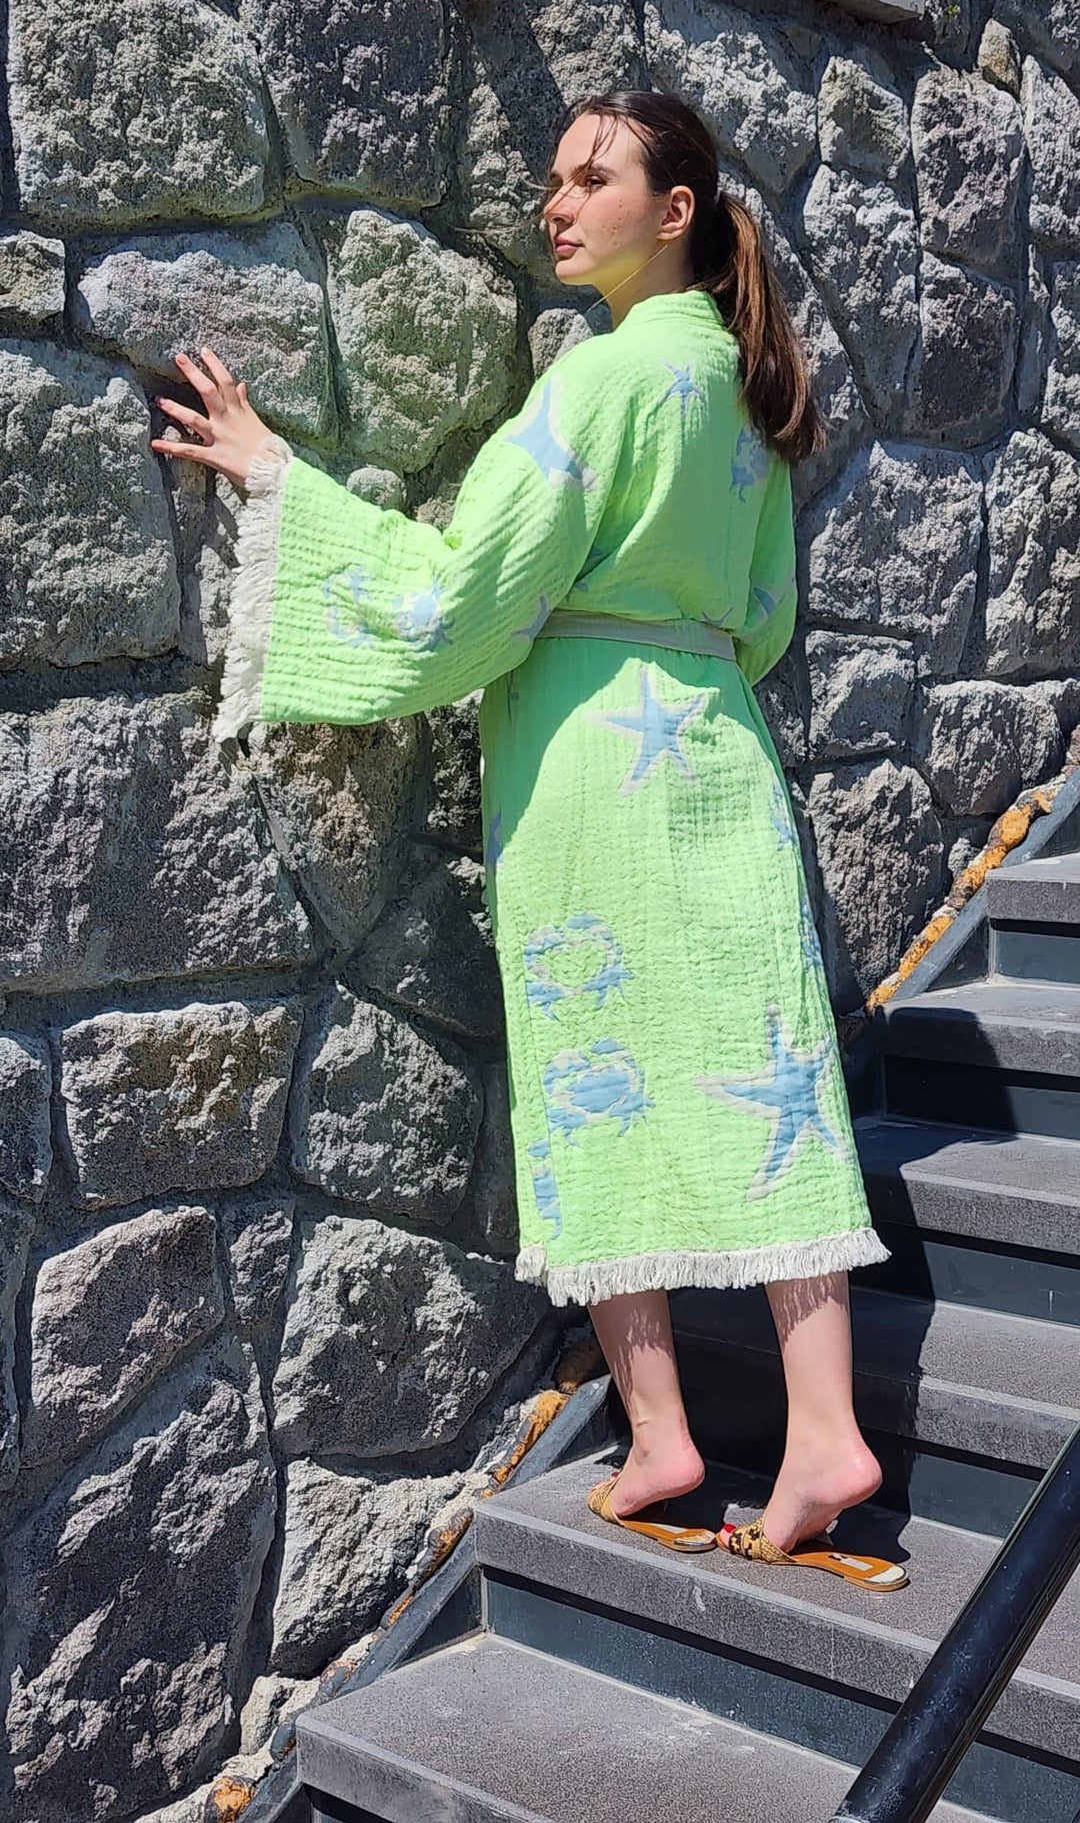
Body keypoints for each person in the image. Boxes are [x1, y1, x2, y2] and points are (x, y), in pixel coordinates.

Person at [149, 87, 905, 1592]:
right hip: (714, 746)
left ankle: (662, 1430)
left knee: (596, 1065)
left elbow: (462, 590)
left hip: (587, 763)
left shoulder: (605, 381)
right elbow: (763, 621)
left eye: (591, 176)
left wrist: (281, 482)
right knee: (769, 1073)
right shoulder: (747, 403)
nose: (555, 202)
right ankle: (813, 1424)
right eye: (555, 176)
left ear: (673, 209)